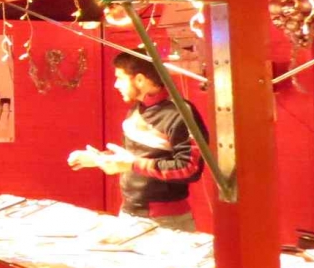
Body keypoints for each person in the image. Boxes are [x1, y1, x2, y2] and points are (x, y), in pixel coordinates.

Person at [68, 52, 209, 231]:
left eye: (120, 78)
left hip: (166, 221)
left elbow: (190, 168)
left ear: (140, 80)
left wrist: (132, 164)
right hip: (128, 212)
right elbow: (136, 157)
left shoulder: (180, 112)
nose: (115, 84)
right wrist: (99, 159)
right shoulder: (137, 108)